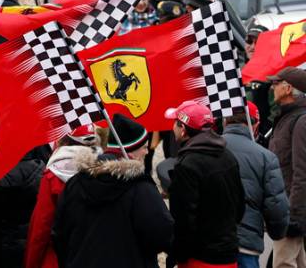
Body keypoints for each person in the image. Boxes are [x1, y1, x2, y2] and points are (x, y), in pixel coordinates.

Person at [52, 115, 173, 268]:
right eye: (144, 148)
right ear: (131, 151)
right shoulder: (141, 189)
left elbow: (60, 234)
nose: (147, 153)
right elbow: (163, 235)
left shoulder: (75, 182)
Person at [165, 100, 245, 268]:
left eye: (175, 123)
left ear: (183, 129)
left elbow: (184, 220)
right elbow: (240, 208)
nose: (172, 127)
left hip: (199, 258)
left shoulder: (187, 165)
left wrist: (176, 255)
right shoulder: (228, 156)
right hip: (228, 254)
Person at [223, 101, 289, 268]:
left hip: (210, 245)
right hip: (246, 244)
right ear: (256, 124)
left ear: (225, 121)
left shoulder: (206, 148)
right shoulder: (265, 157)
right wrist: (277, 232)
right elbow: (276, 206)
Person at [25, 125, 100, 268]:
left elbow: (41, 227)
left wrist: (31, 262)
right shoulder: (106, 170)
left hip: (58, 258)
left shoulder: (53, 176)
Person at [267, 66, 306, 268]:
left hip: (290, 210)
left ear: (288, 88)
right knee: (297, 262)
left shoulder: (300, 120)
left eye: (275, 83)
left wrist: (293, 215)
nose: (272, 87)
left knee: (284, 264)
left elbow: (302, 173)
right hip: (286, 207)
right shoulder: (288, 117)